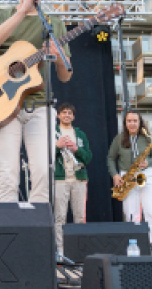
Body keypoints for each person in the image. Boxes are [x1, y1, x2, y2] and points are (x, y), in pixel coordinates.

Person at [0, 0, 72, 203]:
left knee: (42, 172)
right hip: (3, 105)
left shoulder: (54, 24)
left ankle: (37, 226)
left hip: (40, 106)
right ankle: (7, 226)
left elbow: (65, 76)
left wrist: (58, 57)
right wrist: (22, 11)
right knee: (7, 175)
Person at [107, 110, 152, 253]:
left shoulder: (148, 138)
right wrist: (115, 175)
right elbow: (111, 158)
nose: (132, 123)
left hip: (146, 174)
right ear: (125, 123)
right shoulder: (119, 139)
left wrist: (148, 162)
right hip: (127, 175)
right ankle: (134, 244)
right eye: (129, 121)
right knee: (131, 213)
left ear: (140, 122)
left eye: (135, 121)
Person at [54, 103, 92, 256]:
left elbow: (88, 157)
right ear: (58, 115)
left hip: (79, 179)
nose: (67, 115)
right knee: (59, 217)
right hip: (60, 180)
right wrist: (57, 146)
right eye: (64, 112)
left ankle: (79, 252)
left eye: (70, 113)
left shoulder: (80, 134)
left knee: (80, 217)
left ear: (73, 117)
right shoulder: (52, 132)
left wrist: (77, 149)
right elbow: (45, 156)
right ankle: (61, 252)